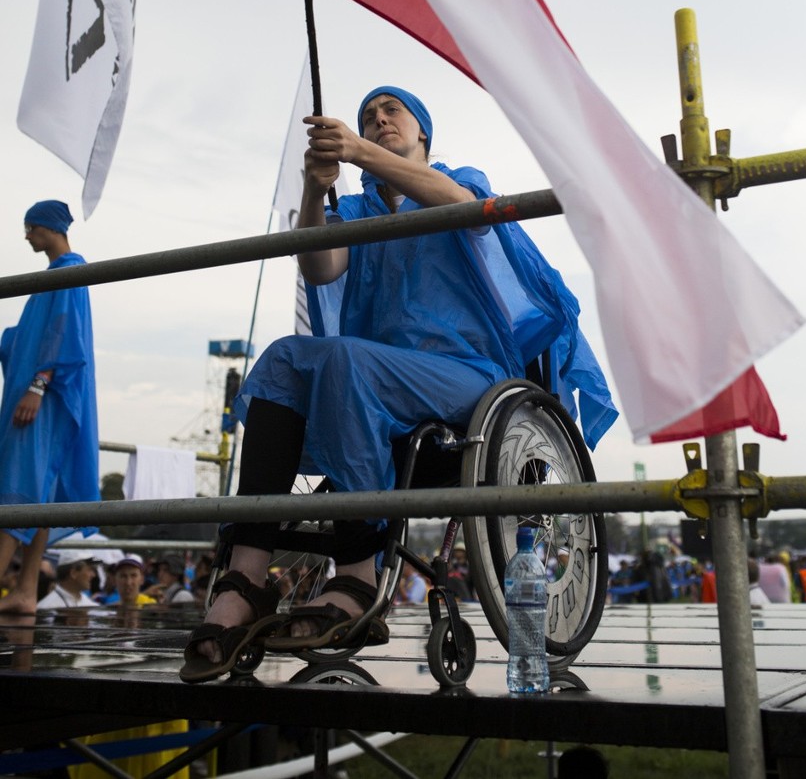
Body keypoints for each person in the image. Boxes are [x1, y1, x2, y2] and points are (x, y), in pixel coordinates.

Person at [180, 86, 616, 683]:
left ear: (424, 136)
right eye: (367, 116)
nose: (378, 119)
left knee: (346, 360)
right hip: (371, 380)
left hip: (469, 379)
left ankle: (358, 571)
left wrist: (358, 148)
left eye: (392, 112)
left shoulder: (457, 179)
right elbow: (318, 266)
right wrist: (314, 188)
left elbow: (458, 203)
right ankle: (246, 575)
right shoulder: (355, 212)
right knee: (284, 360)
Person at [0, 201, 99, 614]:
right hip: (43, 395)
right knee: (43, 490)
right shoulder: (54, 276)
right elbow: (28, 337)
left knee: (17, 486)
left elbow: (63, 335)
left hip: (46, 399)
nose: (26, 236)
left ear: (49, 228)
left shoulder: (69, 271)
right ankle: (25, 590)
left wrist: (38, 386)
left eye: (31, 228)